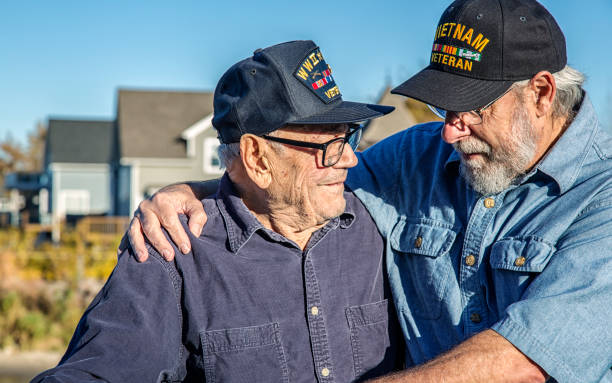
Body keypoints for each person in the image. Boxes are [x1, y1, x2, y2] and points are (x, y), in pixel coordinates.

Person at [127, 1, 612, 382]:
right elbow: (302, 179)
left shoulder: (602, 197)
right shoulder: (414, 158)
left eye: (472, 109)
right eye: (444, 109)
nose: (449, 132)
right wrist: (195, 188)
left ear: (542, 94)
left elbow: (524, 363)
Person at [32, 40, 403, 382]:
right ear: (257, 158)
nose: (351, 158)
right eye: (328, 146)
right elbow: (98, 370)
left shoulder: (381, 219)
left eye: (348, 136)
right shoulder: (173, 251)